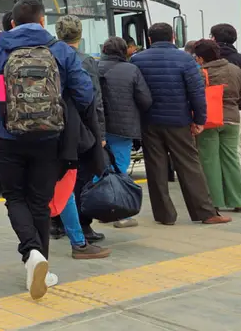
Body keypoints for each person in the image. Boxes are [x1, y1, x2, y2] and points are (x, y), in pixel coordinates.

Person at [0, 0, 96, 300]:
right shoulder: (60, 49)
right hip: (50, 137)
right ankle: (42, 265)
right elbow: (85, 91)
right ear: (42, 22)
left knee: (14, 197)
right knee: (40, 201)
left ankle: (31, 253)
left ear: (12, 24)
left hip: (9, 137)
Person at [130, 23, 230, 226]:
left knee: (155, 167)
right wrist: (199, 120)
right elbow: (196, 92)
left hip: (149, 121)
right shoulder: (185, 59)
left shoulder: (136, 60)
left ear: (150, 39)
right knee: (189, 165)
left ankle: (164, 215)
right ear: (173, 37)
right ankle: (205, 213)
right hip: (179, 121)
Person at [52, 16, 110, 260]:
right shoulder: (85, 61)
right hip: (79, 129)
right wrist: (101, 133)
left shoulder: (50, 56)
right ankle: (82, 230)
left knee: (57, 177)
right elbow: (94, 100)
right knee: (80, 179)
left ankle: (55, 224)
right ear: (80, 34)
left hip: (52, 125)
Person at [98, 36, 153, 228]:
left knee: (100, 168)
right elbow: (145, 100)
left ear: (104, 50)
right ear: (123, 51)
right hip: (123, 128)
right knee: (120, 169)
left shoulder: (93, 68)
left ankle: (99, 208)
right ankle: (120, 214)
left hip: (98, 128)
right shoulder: (131, 70)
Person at [192, 39, 241, 213]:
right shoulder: (234, 69)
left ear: (201, 58)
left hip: (209, 120)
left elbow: (195, 97)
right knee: (231, 158)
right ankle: (238, 200)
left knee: (209, 161)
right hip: (232, 119)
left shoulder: (200, 72)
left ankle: (214, 201)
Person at [209, 23, 241, 201]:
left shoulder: (205, 60)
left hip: (208, 114)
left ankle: (215, 194)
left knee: (210, 155)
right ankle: (240, 192)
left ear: (214, 39)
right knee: (235, 153)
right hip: (236, 112)